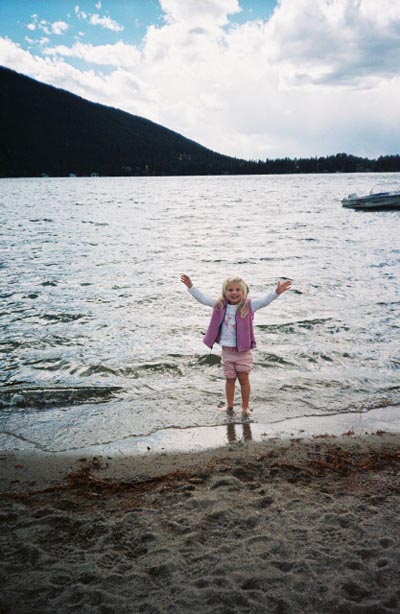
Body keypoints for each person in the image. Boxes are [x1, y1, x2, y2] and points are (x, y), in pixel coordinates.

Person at [181, 274, 292, 417]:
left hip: (243, 352)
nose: (234, 293)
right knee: (230, 380)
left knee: (244, 380)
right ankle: (230, 405)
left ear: (244, 291)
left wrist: (276, 292)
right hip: (227, 351)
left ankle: (245, 407)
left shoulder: (249, 306)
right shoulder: (220, 305)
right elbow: (203, 299)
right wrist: (191, 286)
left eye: (238, 290)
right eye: (230, 290)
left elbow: (265, 301)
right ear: (225, 292)